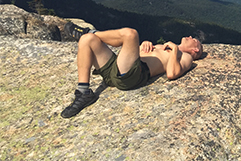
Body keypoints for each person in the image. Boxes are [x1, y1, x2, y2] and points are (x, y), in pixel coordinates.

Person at [61, 23, 203, 118]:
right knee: (87, 40)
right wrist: (144, 45)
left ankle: (90, 32)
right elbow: (134, 53)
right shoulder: (165, 46)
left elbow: (172, 74)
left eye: (194, 40)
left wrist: (174, 51)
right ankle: (83, 91)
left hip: (133, 75)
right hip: (120, 69)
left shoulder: (186, 57)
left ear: (195, 49)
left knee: (131, 34)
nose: (190, 37)